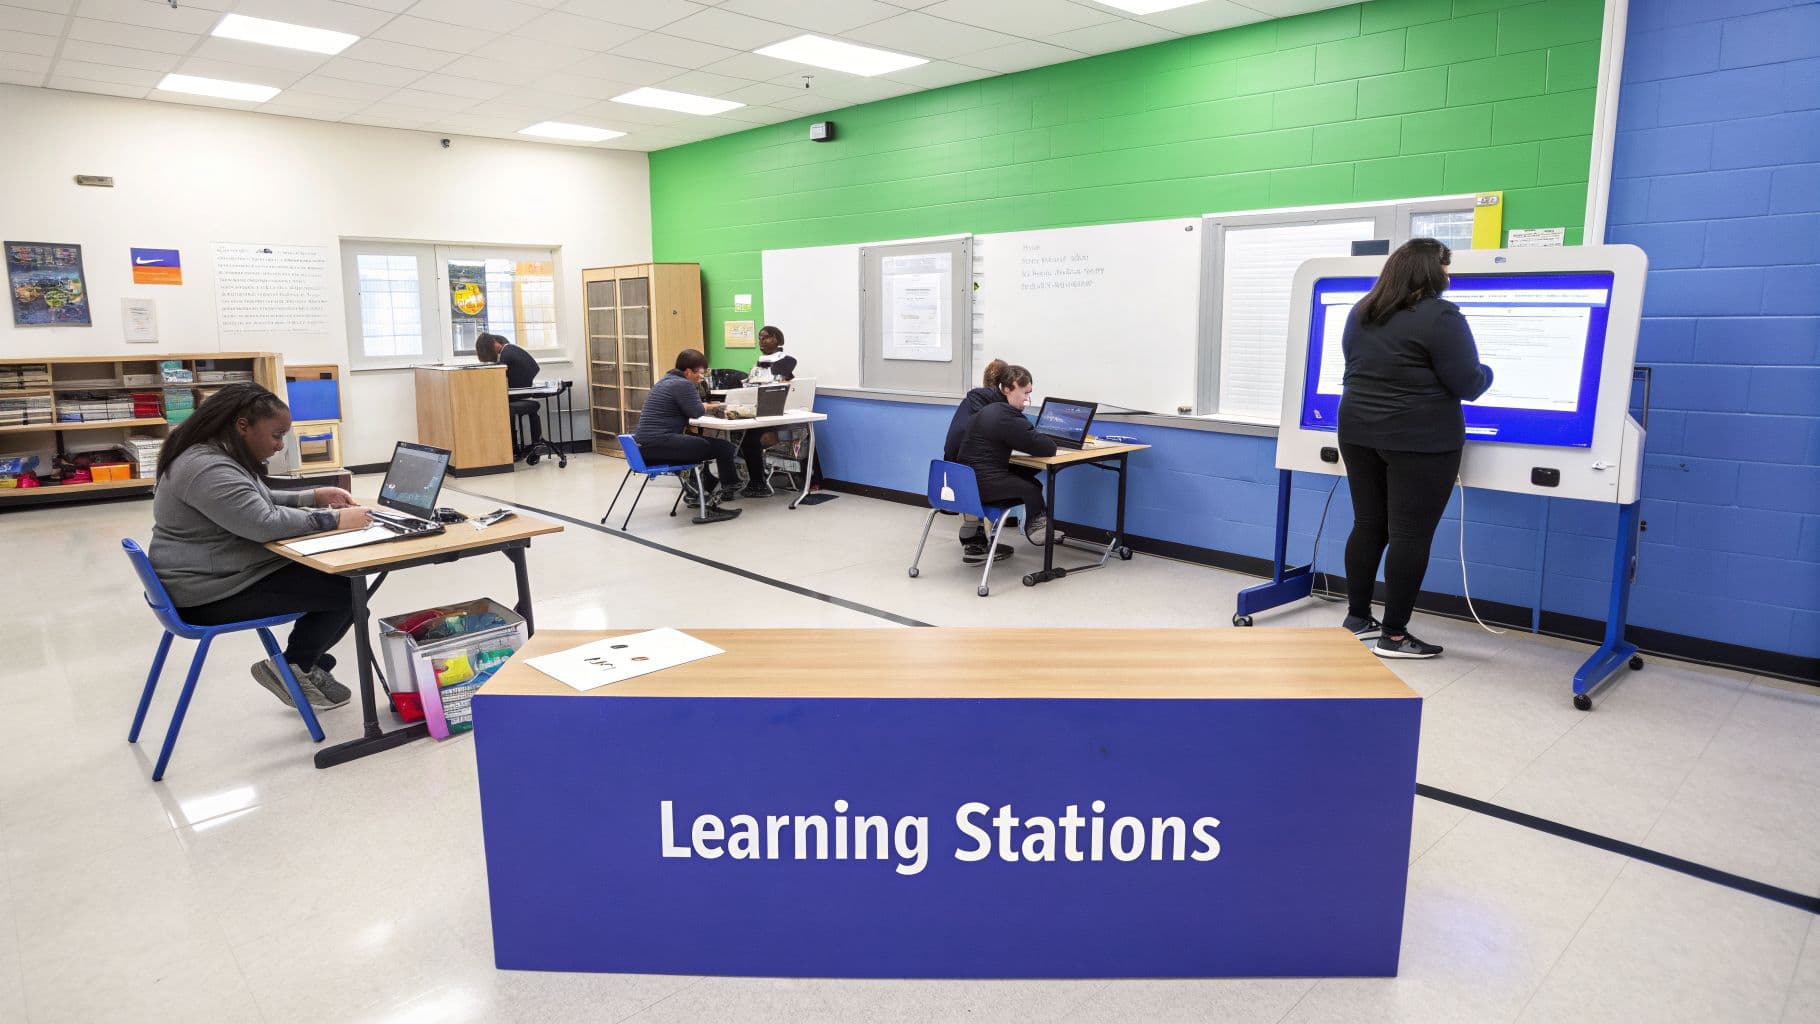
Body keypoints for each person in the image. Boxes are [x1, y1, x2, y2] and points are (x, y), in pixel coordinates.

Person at [148, 382, 373, 708]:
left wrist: (314, 496)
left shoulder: (212, 454)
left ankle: (301, 665)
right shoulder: (206, 467)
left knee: (343, 583)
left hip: (209, 576)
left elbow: (252, 500)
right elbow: (263, 523)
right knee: (346, 593)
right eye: (276, 435)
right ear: (243, 426)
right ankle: (295, 667)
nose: (281, 445)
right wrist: (335, 521)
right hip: (205, 593)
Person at [1337, 237, 1494, 660]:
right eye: (1446, 266)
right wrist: (1490, 372)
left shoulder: (1362, 311)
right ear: (1430, 271)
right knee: (1410, 534)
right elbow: (1469, 383)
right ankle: (1394, 637)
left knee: (1369, 524)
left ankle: (1356, 620)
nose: (1450, 274)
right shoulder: (1441, 316)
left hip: (1356, 431)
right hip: (1420, 441)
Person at [956, 363, 1063, 549]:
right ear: (1006, 390)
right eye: (1025, 393)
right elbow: (1047, 448)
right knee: (1031, 488)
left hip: (966, 483)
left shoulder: (987, 410)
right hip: (983, 486)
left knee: (1029, 475)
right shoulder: (1007, 416)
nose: (1027, 399)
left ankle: (1037, 527)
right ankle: (1037, 530)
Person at [634, 348, 743, 520]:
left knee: (705, 445)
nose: (701, 378)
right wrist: (713, 406)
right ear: (688, 371)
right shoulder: (683, 384)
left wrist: (703, 405)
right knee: (723, 448)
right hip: (660, 445)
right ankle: (725, 488)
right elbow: (696, 411)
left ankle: (701, 491)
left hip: (643, 448)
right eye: (699, 373)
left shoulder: (664, 381)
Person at [943, 359, 1016, 564]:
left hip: (950, 477)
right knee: (1016, 478)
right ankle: (981, 541)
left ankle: (972, 534)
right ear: (1005, 386)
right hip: (973, 480)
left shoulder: (971, 403)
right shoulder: (995, 410)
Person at [736, 325, 823, 496]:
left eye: (765, 337)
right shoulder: (759, 363)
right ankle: (755, 481)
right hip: (763, 411)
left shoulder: (785, 360)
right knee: (743, 438)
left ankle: (759, 482)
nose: (761, 341)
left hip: (783, 414)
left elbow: (780, 378)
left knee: (751, 440)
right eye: (759, 337)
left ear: (776, 339)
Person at [475, 332, 542, 458]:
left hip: (520, 394)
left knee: (501, 408)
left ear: (494, 344)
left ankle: (511, 447)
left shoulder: (507, 354)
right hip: (524, 392)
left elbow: (497, 376)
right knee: (503, 405)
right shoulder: (511, 350)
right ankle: (518, 445)